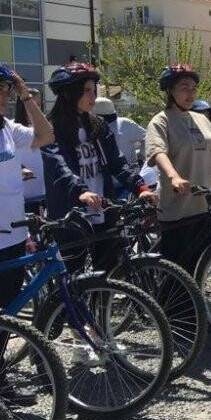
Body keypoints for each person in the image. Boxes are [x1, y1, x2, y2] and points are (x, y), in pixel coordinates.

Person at [41, 62, 154, 271]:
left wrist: (141, 188)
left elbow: (117, 163)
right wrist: (80, 192)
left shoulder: (98, 125)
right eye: (86, 91)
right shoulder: (51, 128)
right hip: (71, 214)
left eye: (94, 90)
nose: (93, 96)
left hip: (103, 209)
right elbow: (58, 167)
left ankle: (102, 305)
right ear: (67, 93)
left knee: (107, 273)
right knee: (74, 279)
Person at [144, 64, 211, 273]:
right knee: (177, 272)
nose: (190, 92)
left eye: (193, 88)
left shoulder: (202, 119)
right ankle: (173, 306)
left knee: (200, 267)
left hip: (205, 204)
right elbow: (158, 153)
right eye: (184, 87)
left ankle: (197, 303)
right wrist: (174, 176)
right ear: (170, 90)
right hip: (178, 208)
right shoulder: (161, 121)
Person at [0, 61, 54, 310]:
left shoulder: (4, 127)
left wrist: (25, 94)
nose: (7, 95)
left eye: (9, 89)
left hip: (14, 237)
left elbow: (46, 136)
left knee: (7, 316)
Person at [14, 89, 46, 214]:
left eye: (39, 105)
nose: (36, 109)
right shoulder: (13, 129)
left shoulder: (47, 130)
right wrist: (20, 168)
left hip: (46, 195)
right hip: (23, 197)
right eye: (32, 105)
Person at [93, 97, 146, 166]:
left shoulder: (125, 123)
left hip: (129, 171)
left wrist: (141, 156)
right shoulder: (90, 128)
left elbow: (147, 137)